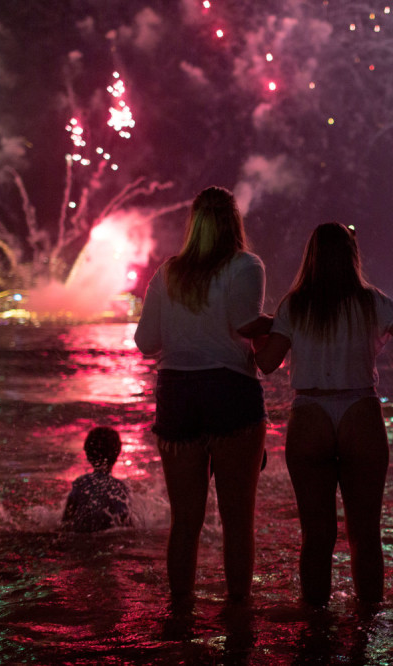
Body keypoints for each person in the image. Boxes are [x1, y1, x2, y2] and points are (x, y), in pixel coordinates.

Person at [254, 222, 393, 607]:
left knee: (316, 536)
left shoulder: (294, 305)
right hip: (360, 412)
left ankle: (316, 631)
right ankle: (366, 626)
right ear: (352, 258)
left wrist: (257, 331)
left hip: (310, 413)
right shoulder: (371, 301)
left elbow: (267, 363)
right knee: (365, 534)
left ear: (310, 257)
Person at [134, 186, 270, 605]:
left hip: (176, 395)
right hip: (231, 393)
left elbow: (146, 342)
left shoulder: (167, 273)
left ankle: (180, 615)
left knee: (185, 521)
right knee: (237, 520)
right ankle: (237, 617)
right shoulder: (246, 266)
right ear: (233, 223)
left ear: (193, 224)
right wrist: (273, 323)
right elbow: (245, 324)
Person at [62, 426, 132, 532]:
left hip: (82, 537)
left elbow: (65, 521)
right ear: (117, 454)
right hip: (110, 538)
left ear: (87, 455)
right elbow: (126, 524)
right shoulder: (119, 487)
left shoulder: (80, 483)